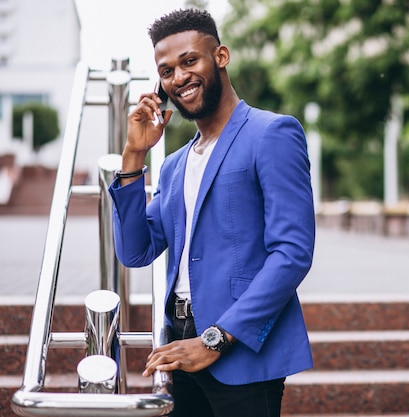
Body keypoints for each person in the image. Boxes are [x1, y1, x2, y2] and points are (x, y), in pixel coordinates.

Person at [108, 8, 315, 417]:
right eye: (166, 71)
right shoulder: (175, 164)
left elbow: (292, 254)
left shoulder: (272, 133)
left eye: (190, 61)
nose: (179, 78)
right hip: (179, 343)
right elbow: (135, 251)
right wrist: (133, 154)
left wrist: (214, 340)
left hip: (241, 350)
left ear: (220, 56)